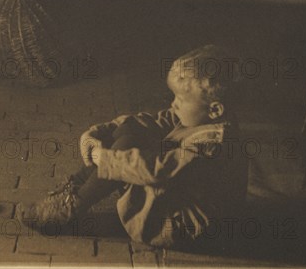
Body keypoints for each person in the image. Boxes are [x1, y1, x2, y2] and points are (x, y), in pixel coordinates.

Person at [17, 45, 248, 247]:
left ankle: (69, 208)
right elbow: (149, 121)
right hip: (177, 200)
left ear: (215, 109)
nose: (173, 104)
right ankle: (73, 195)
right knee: (128, 133)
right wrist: (99, 132)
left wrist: (106, 158)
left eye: (180, 100)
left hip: (182, 226)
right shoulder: (202, 117)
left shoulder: (213, 144)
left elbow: (157, 169)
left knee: (126, 151)